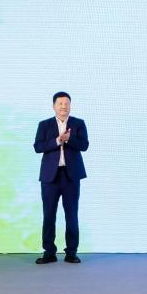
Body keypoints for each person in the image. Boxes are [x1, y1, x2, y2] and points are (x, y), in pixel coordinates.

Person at [33, 91, 89, 264]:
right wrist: (57, 141)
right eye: (60, 103)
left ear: (70, 105)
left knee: (71, 215)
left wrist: (70, 139)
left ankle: (71, 252)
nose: (64, 106)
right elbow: (38, 147)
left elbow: (84, 145)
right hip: (50, 177)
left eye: (67, 103)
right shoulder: (44, 124)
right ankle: (49, 252)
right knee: (48, 215)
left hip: (71, 176)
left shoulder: (78, 123)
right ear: (54, 106)